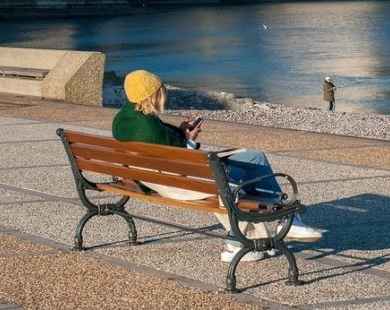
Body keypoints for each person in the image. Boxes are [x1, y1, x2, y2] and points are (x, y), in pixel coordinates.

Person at [112, 70, 322, 262]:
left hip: (160, 178)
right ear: (153, 95)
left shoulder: (125, 119)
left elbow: (164, 147)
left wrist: (183, 135)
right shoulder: (148, 127)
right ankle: (275, 223)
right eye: (161, 91)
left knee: (251, 162)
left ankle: (264, 228)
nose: (164, 94)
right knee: (247, 167)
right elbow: (180, 158)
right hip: (186, 180)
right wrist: (191, 140)